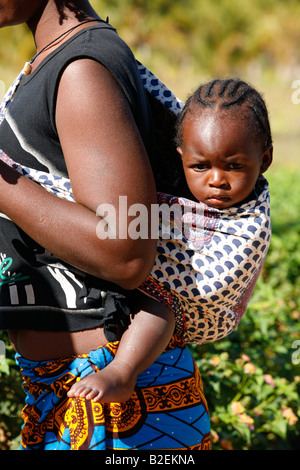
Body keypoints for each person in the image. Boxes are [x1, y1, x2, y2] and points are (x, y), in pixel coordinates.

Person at [0, 0, 211, 450]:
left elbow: (127, 250)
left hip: (115, 400)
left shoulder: (79, 69)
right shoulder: (54, 62)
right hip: (61, 390)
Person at [67, 78, 272, 401]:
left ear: (265, 160)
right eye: (200, 166)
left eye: (234, 166)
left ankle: (123, 372)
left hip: (196, 310)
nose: (217, 180)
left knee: (160, 308)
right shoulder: (175, 178)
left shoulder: (250, 224)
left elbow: (213, 284)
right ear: (181, 158)